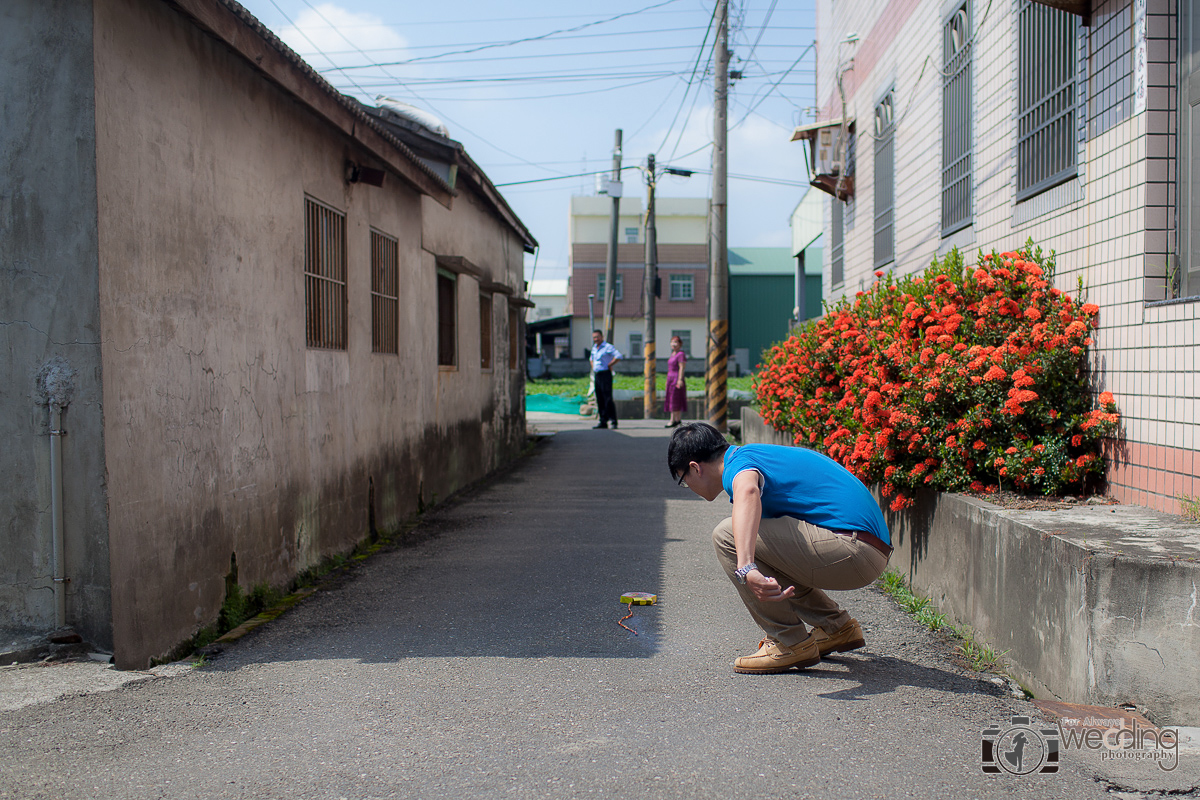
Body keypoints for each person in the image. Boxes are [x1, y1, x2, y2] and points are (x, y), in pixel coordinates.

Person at [667, 422, 892, 674]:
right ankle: (835, 627)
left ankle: (789, 642)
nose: (689, 488)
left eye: (684, 481)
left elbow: (748, 489)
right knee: (753, 537)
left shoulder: (737, 468)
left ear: (695, 468)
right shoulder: (752, 455)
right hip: (868, 549)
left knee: (726, 534)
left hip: (853, 550)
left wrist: (746, 566)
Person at [590, 330, 622, 429]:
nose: (596, 339)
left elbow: (618, 356)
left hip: (605, 374)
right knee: (599, 398)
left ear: (602, 337)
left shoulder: (608, 347)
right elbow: (591, 359)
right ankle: (603, 420)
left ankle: (613, 421)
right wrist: (594, 367)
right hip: (597, 374)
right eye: (594, 337)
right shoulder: (594, 348)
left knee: (607, 398)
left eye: (597, 337)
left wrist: (610, 364)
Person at [663, 335, 687, 428]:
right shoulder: (672, 354)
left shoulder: (680, 354)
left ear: (680, 344)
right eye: (672, 342)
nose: (674, 344)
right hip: (670, 378)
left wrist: (680, 379)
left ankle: (674, 419)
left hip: (676, 377)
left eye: (676, 342)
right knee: (671, 398)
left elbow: (682, 367)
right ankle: (676, 419)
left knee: (676, 398)